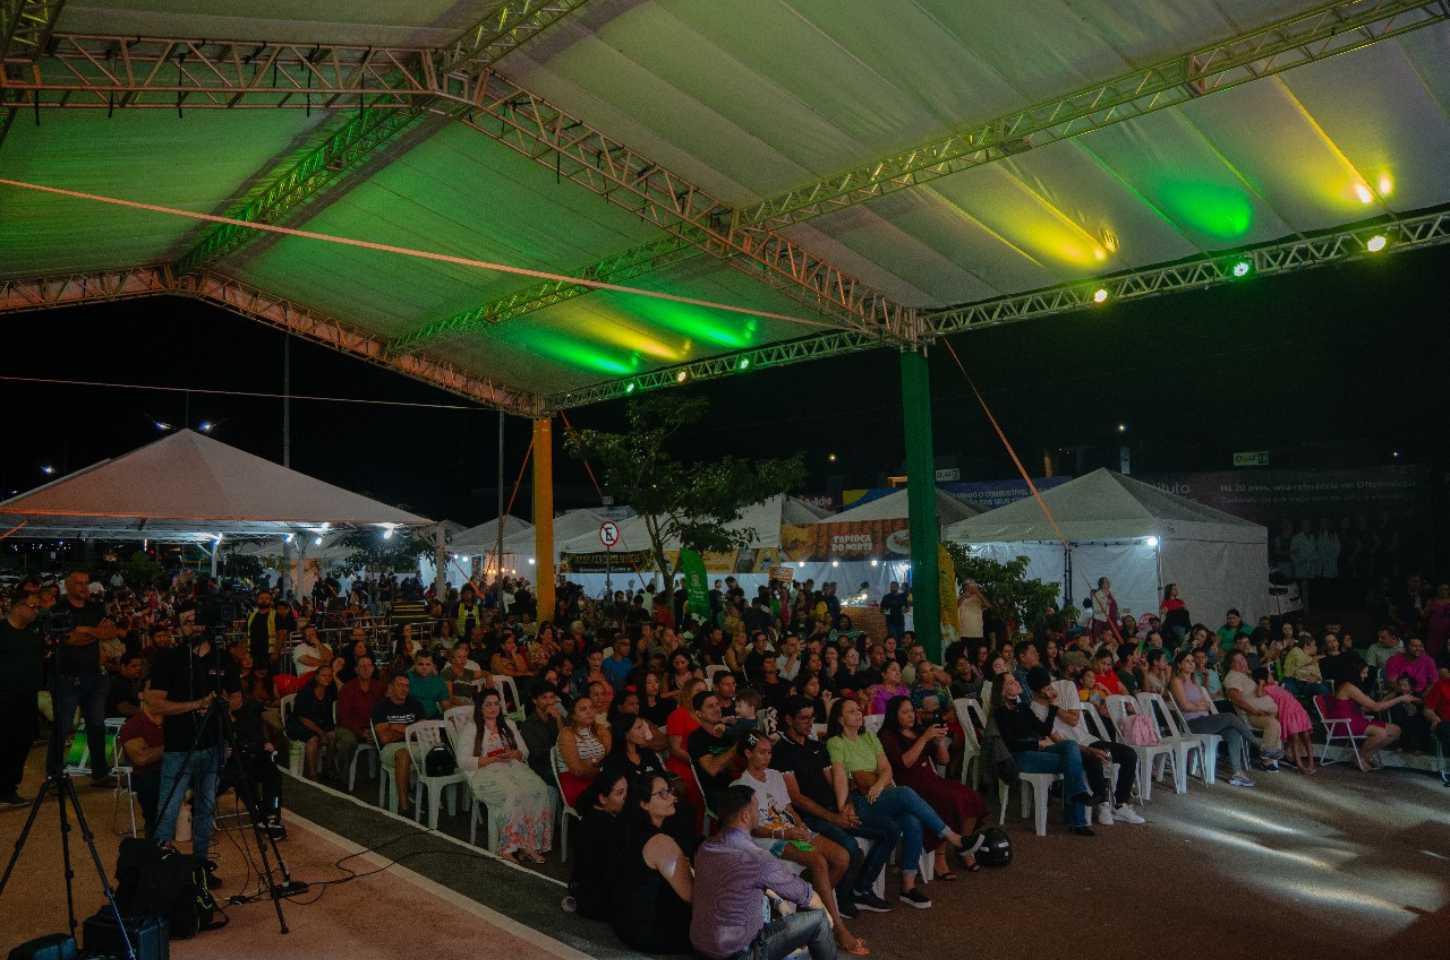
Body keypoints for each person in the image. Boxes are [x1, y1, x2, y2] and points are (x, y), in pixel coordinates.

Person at [826, 698, 974, 907]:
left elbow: (887, 769)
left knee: (912, 820)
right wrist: (843, 809)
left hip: (878, 792)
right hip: (859, 799)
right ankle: (952, 836)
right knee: (905, 793)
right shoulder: (836, 742)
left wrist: (878, 786)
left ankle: (908, 886)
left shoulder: (868, 736)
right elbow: (840, 776)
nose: (859, 714)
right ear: (840, 719)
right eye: (851, 712)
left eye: (859, 709)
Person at [733, 733, 868, 956]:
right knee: (818, 861)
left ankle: (811, 905)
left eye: (769, 752)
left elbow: (788, 809)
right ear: (748, 753)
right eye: (762, 752)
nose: (767, 757)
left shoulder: (775, 776)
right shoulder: (740, 785)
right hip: (769, 839)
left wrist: (802, 827)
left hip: (793, 831)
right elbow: (753, 828)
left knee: (843, 857)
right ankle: (836, 926)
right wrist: (786, 833)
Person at [771, 696, 895, 915]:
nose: (809, 723)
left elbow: (835, 780)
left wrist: (846, 806)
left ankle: (861, 889)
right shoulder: (782, 751)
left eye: (812, 718)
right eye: (803, 718)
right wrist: (833, 817)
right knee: (851, 849)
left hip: (833, 809)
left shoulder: (816, 746)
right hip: (811, 816)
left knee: (890, 831)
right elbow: (796, 798)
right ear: (789, 720)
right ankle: (841, 898)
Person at [146, 616, 242, 888]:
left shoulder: (223, 659)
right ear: (179, 627)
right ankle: (159, 874)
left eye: (197, 621)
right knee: (168, 811)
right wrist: (195, 705)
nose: (193, 627)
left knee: (206, 811)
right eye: (186, 622)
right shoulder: (169, 658)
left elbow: (237, 698)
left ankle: (201, 869)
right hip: (178, 748)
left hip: (212, 745)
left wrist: (221, 704)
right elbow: (155, 703)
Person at [692, 784, 836, 960]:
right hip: (741, 953)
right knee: (819, 920)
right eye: (756, 808)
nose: (759, 814)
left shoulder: (706, 848)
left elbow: (738, 881)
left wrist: (778, 902)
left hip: (702, 948)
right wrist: (828, 916)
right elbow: (804, 894)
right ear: (745, 816)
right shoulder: (756, 856)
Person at [877, 695, 988, 876]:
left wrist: (939, 743)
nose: (910, 715)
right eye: (904, 712)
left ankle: (964, 848)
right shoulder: (888, 736)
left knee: (971, 796)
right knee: (949, 800)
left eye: (912, 711)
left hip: (932, 779)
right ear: (893, 715)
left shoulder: (919, 730)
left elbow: (944, 761)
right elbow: (905, 762)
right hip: (910, 786)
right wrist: (924, 738)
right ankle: (939, 857)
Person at [1022, 669, 1144, 825]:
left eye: (1050, 686)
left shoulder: (1066, 687)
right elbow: (1058, 739)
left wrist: (1055, 707)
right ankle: (1103, 804)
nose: (1052, 691)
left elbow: (1073, 720)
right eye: (1046, 689)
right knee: (1094, 757)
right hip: (1071, 749)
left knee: (1129, 754)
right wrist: (1050, 708)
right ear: (1037, 692)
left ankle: (1121, 805)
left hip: (1088, 740)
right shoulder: (1034, 710)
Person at [455, 688, 553, 863]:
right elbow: (463, 761)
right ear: (480, 708)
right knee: (514, 793)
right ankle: (508, 848)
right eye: (488, 705)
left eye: (496, 704)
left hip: (512, 767)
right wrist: (488, 759)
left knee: (539, 789)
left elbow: (524, 751)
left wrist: (514, 754)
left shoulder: (508, 724)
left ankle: (529, 845)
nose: (493, 708)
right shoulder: (472, 728)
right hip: (485, 773)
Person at [991, 672, 1095, 835]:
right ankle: (1077, 820)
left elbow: (1044, 729)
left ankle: (1076, 798)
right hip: (1020, 756)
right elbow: (1010, 744)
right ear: (1002, 691)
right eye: (1011, 682)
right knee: (1074, 763)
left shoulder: (1023, 707)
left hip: (1037, 751)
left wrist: (1052, 706)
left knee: (1071, 746)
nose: (1017, 683)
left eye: (1015, 680)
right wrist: (1037, 743)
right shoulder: (1000, 713)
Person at [613, 773, 694, 954]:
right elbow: (691, 895)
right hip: (650, 932)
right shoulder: (661, 842)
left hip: (624, 923)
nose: (673, 797)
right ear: (644, 804)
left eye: (670, 791)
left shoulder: (627, 828)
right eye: (662, 794)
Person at [53, 570, 117, 786]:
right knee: (62, 728)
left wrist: (85, 631)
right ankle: (54, 776)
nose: (83, 587)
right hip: (68, 677)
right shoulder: (59, 609)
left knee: (97, 726)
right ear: (68, 585)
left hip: (94, 676)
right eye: (79, 583)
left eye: (86, 583)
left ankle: (100, 773)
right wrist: (94, 632)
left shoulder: (95, 607)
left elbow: (110, 633)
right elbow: (69, 640)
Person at [1169, 651, 1257, 787]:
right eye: (1187, 661)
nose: (1192, 664)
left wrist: (1198, 706)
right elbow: (1185, 706)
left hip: (1204, 721)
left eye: (1192, 661)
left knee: (1233, 731)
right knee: (1229, 716)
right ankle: (1258, 744)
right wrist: (1199, 706)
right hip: (1192, 724)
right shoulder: (1176, 681)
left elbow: (1207, 704)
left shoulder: (1194, 682)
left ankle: (1237, 773)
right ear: (1180, 664)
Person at [1325, 661, 1415, 771]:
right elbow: (1376, 708)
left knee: (1396, 730)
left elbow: (1366, 708)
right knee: (1381, 733)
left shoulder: (1354, 687)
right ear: (1355, 673)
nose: (1366, 676)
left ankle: (1367, 755)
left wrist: (1391, 697)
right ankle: (1359, 757)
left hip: (1356, 719)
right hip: (1344, 723)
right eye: (1363, 673)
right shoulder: (1348, 687)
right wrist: (1399, 699)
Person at [565, 770, 628, 919]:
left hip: (585, 893)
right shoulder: (606, 827)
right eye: (620, 793)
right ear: (603, 798)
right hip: (597, 902)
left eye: (626, 791)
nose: (626, 797)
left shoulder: (592, 816)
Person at [0, 588, 44, 806]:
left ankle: (9, 788)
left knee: (22, 742)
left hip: (26, 699)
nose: (36, 611)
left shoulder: (33, 635)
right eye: (32, 606)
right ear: (18, 606)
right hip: (3, 699)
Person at [371, 673, 425, 815]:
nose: (404, 689)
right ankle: (404, 806)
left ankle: (430, 798)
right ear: (391, 687)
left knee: (437, 749)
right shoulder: (381, 707)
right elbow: (385, 738)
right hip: (390, 749)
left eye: (407, 686)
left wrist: (394, 726)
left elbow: (422, 732)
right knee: (403, 755)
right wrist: (410, 730)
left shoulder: (415, 704)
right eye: (400, 685)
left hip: (415, 745)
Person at [1221, 651, 1285, 768]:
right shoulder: (1232, 677)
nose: (1242, 663)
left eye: (1243, 660)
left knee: (1277, 724)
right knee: (1272, 724)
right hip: (1252, 715)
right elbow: (1236, 699)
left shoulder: (1243, 675)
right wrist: (1254, 711)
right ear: (1231, 665)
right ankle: (1266, 760)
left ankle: (1272, 758)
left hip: (1263, 713)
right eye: (1238, 661)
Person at [118, 691, 165, 835]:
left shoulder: (175, 719)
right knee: (149, 782)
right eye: (154, 689)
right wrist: (174, 745)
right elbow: (142, 758)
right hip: (148, 773)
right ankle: (153, 824)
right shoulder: (133, 725)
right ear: (141, 695)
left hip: (179, 766)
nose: (161, 694)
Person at [688, 691, 743, 810]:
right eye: (710, 706)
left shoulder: (730, 731)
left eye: (717, 704)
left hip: (740, 783)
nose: (717, 709)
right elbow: (712, 769)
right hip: (719, 792)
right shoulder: (696, 738)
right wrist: (739, 745)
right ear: (699, 714)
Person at [1256, 668, 1315, 775]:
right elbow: (1259, 694)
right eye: (1269, 675)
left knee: (1306, 736)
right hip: (1288, 713)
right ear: (1263, 679)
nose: (1272, 677)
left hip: (1298, 710)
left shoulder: (1275, 685)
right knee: (1295, 738)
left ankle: (1311, 764)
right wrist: (1261, 683)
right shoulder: (1267, 688)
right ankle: (1300, 765)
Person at [285, 662, 338, 780]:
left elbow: (329, 713)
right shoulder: (306, 692)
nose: (327, 678)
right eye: (324, 675)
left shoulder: (329, 691)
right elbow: (303, 717)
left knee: (333, 736)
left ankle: (327, 768)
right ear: (317, 676)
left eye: (330, 676)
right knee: (313, 739)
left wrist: (327, 731)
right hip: (300, 723)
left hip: (318, 722)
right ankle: (312, 773)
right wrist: (321, 733)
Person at [556, 696, 611, 807]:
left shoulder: (601, 730)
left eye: (591, 708)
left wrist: (590, 763)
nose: (589, 712)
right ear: (574, 716)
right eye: (583, 709)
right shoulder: (567, 734)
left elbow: (607, 758)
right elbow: (577, 770)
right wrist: (599, 769)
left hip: (597, 778)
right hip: (573, 781)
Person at [336, 654, 384, 777]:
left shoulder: (379, 687)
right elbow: (343, 717)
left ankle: (385, 776)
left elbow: (385, 712)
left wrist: (374, 731)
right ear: (356, 670)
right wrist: (361, 732)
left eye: (369, 666)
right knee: (347, 741)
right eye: (362, 666)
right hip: (350, 727)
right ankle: (343, 774)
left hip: (373, 727)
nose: (366, 669)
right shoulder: (347, 688)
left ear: (373, 669)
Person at [519, 681, 567, 785]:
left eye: (552, 697)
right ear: (535, 700)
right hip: (544, 767)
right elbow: (538, 754)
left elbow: (568, 739)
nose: (549, 702)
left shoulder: (558, 717)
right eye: (544, 698)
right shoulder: (528, 725)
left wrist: (559, 720)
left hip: (564, 761)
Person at [407, 651, 448, 719]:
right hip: (411, 718)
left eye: (428, 664)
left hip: (433, 717)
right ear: (415, 665)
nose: (424, 667)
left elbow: (445, 705)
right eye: (420, 664)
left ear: (433, 665)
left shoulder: (438, 680)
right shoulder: (407, 678)